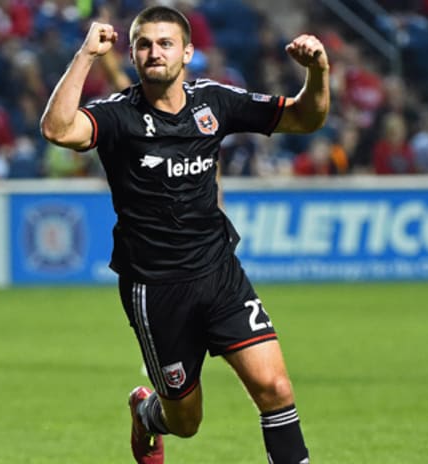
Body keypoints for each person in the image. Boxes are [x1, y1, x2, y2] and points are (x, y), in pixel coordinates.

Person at [40, 6, 329, 464]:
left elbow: (304, 119)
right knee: (186, 422)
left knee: (275, 388)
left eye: (166, 43)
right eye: (144, 44)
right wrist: (86, 55)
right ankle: (146, 412)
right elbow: (57, 128)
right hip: (156, 289)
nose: (155, 52)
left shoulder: (214, 102)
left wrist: (317, 72)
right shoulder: (118, 115)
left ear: (188, 52)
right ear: (133, 55)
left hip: (219, 275)